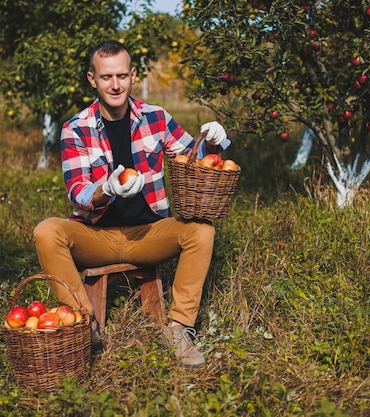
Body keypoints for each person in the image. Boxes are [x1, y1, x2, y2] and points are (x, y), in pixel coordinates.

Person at [33, 40, 231, 367]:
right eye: (106, 76)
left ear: (133, 75)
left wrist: (214, 142)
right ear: (91, 79)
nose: (115, 84)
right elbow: (77, 191)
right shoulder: (76, 128)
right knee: (46, 231)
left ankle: (179, 329)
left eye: (122, 75)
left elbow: (194, 160)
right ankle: (85, 326)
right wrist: (106, 189)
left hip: (148, 233)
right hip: (96, 237)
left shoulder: (156, 117)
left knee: (201, 230)